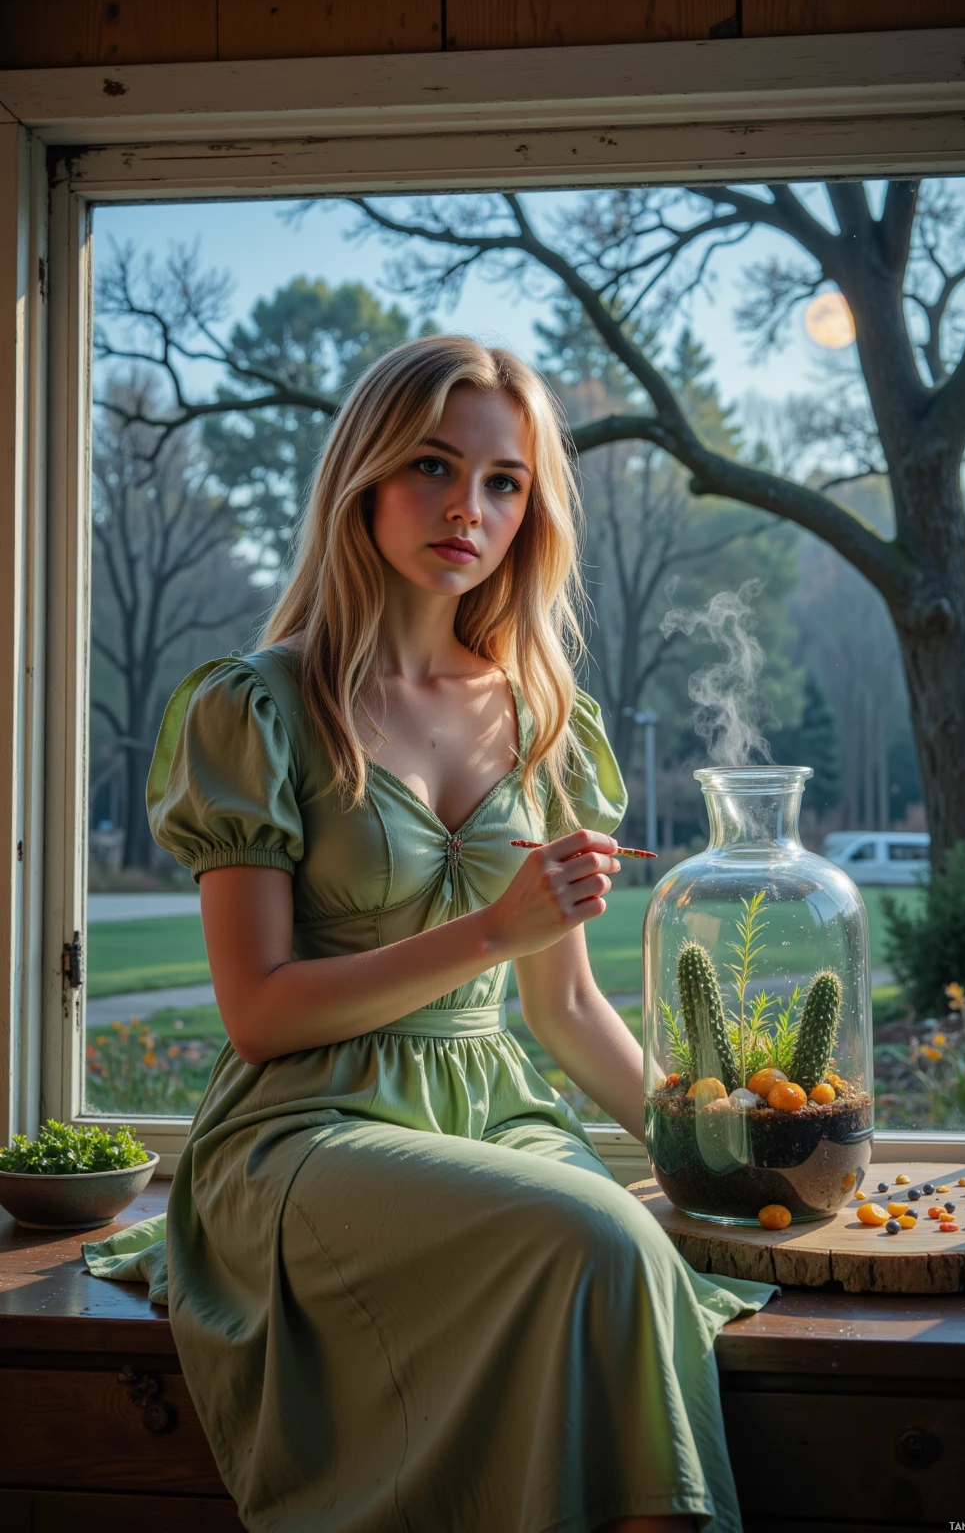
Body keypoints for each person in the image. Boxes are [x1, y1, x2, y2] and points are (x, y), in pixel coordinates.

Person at [84, 335, 779, 1533]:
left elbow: (566, 1007)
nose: (470, 508)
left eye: (505, 482)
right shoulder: (256, 707)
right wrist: (492, 931)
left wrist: (715, 1156)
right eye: (432, 466)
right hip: (305, 1128)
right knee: (603, 1246)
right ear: (363, 476)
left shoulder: (546, 717)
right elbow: (258, 1013)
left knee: (632, 1260)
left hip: (497, 1120)